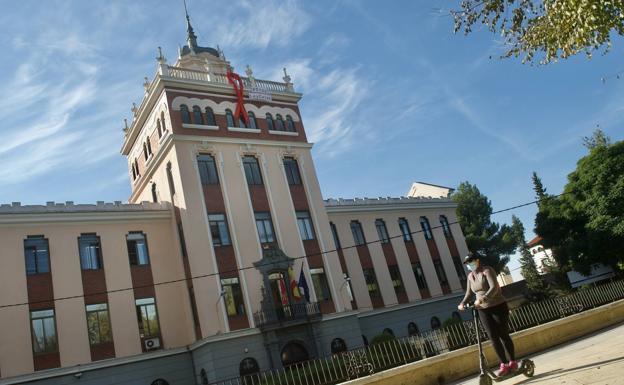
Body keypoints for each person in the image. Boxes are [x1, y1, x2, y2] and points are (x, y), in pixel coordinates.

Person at [458, 253, 517, 376]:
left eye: (471, 261)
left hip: (498, 306)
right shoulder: (470, 276)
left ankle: (513, 361)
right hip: (483, 309)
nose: (470, 264)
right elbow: (469, 293)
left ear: (477, 261)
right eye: (468, 263)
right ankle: (504, 364)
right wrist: (463, 303)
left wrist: (483, 299)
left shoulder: (487, 270)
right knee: (493, 337)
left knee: (503, 334)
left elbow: (494, 287)